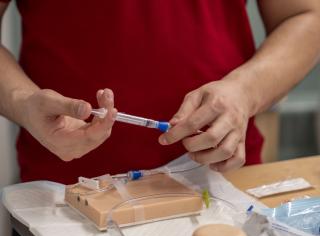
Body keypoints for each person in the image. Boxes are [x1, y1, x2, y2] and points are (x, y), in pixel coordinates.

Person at [0, 1, 319, 184]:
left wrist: (246, 92)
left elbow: (307, 16)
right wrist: (23, 102)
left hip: (223, 183)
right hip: (67, 198)